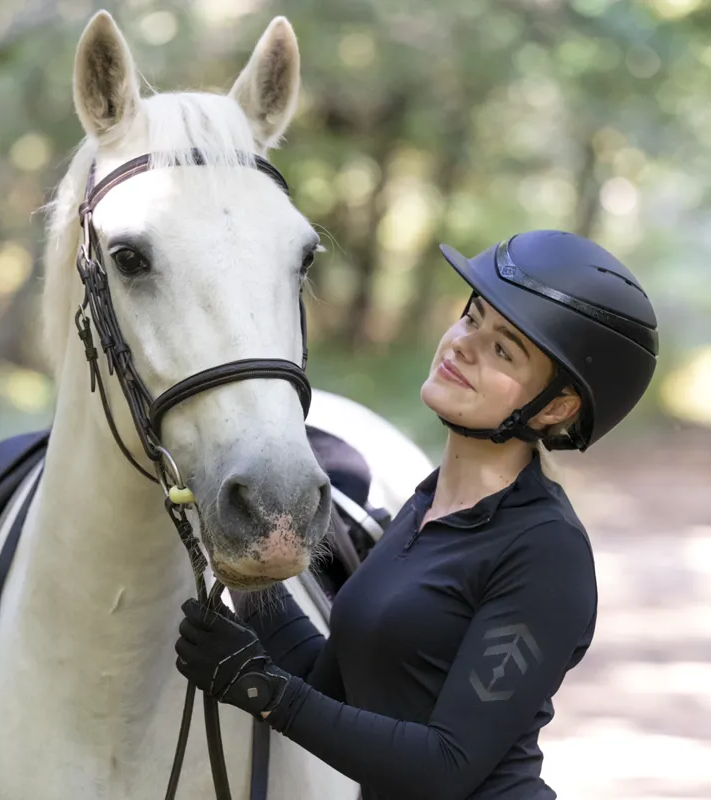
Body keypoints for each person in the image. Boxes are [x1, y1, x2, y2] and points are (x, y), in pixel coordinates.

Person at [174, 229, 659, 799]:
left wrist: (258, 688)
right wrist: (248, 568)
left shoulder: (545, 549)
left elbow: (444, 765)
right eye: (472, 317)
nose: (463, 345)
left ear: (556, 406)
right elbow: (333, 690)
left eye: (504, 349)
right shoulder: (427, 505)